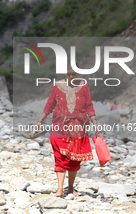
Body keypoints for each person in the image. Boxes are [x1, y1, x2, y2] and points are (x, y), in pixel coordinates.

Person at [30, 66, 99, 197]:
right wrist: (39, 122)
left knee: (74, 159)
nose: (71, 77)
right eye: (68, 74)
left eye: (74, 74)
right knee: (60, 156)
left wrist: (95, 124)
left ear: (78, 73)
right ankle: (60, 189)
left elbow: (89, 105)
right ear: (65, 73)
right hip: (60, 126)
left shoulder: (84, 86)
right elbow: (49, 105)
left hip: (79, 127)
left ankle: (71, 188)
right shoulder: (57, 86)